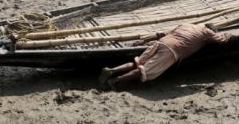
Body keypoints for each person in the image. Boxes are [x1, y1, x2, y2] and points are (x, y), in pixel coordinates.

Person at [98, 23, 231, 90]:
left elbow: (161, 34)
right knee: (144, 70)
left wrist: (144, 40)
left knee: (138, 62)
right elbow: (222, 40)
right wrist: (229, 36)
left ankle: (111, 70)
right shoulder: (207, 32)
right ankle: (115, 81)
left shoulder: (186, 25)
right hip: (172, 50)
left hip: (161, 43)